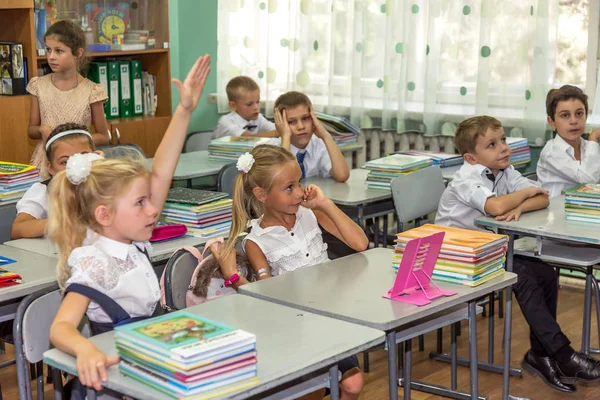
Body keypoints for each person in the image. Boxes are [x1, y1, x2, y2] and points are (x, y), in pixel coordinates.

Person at [47, 54, 211, 392]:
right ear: (104, 215)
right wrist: (85, 349)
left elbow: (163, 170)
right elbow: (60, 327)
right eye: (140, 202)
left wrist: (184, 111)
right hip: (117, 381)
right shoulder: (95, 262)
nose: (153, 210)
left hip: (146, 364)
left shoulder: (130, 238)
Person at [436, 115, 600, 393]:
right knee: (521, 276)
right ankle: (563, 354)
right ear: (471, 158)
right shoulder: (465, 178)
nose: (503, 148)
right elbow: (496, 207)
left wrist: (521, 205)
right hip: (453, 256)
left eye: (503, 140)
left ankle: (540, 355)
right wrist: (520, 197)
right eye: (491, 144)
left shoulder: (505, 171)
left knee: (546, 273)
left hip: (484, 252)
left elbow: (543, 197)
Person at [215, 144, 368, 399]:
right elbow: (267, 296)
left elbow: (360, 243)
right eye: (289, 188)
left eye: (299, 183)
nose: (299, 193)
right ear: (261, 195)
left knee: (353, 384)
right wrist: (234, 278)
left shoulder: (309, 213)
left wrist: (325, 204)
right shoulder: (257, 241)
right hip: (295, 328)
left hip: (330, 318)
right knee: (314, 389)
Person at [27, 20, 109, 180]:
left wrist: (74, 142)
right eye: (48, 50)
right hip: (45, 162)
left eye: (59, 51)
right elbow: (31, 130)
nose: (51, 57)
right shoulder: (38, 85)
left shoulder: (92, 91)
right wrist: (42, 130)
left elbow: (103, 136)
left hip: (78, 163)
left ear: (77, 53)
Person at [11, 123, 101, 239]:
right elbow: (18, 229)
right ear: (50, 167)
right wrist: (63, 223)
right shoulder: (43, 191)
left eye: (83, 157)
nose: (74, 166)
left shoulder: (105, 185)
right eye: (64, 162)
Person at [537, 85, 600, 198]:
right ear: (552, 122)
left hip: (582, 209)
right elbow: (588, 180)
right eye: (565, 115)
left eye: (579, 114)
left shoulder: (588, 147)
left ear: (586, 116)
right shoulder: (551, 152)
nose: (573, 121)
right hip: (552, 213)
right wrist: (593, 137)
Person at [273, 91, 350, 182]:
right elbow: (281, 181)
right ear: (280, 125)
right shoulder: (272, 149)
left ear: (313, 119)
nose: (301, 126)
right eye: (291, 122)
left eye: (305, 118)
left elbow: (342, 175)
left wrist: (326, 136)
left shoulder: (317, 143)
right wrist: (285, 136)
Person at [212, 76, 278, 138]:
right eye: (249, 104)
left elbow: (275, 128)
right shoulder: (225, 122)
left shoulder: (258, 118)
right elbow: (248, 138)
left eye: (257, 102)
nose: (256, 107)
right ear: (233, 106)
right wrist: (279, 133)